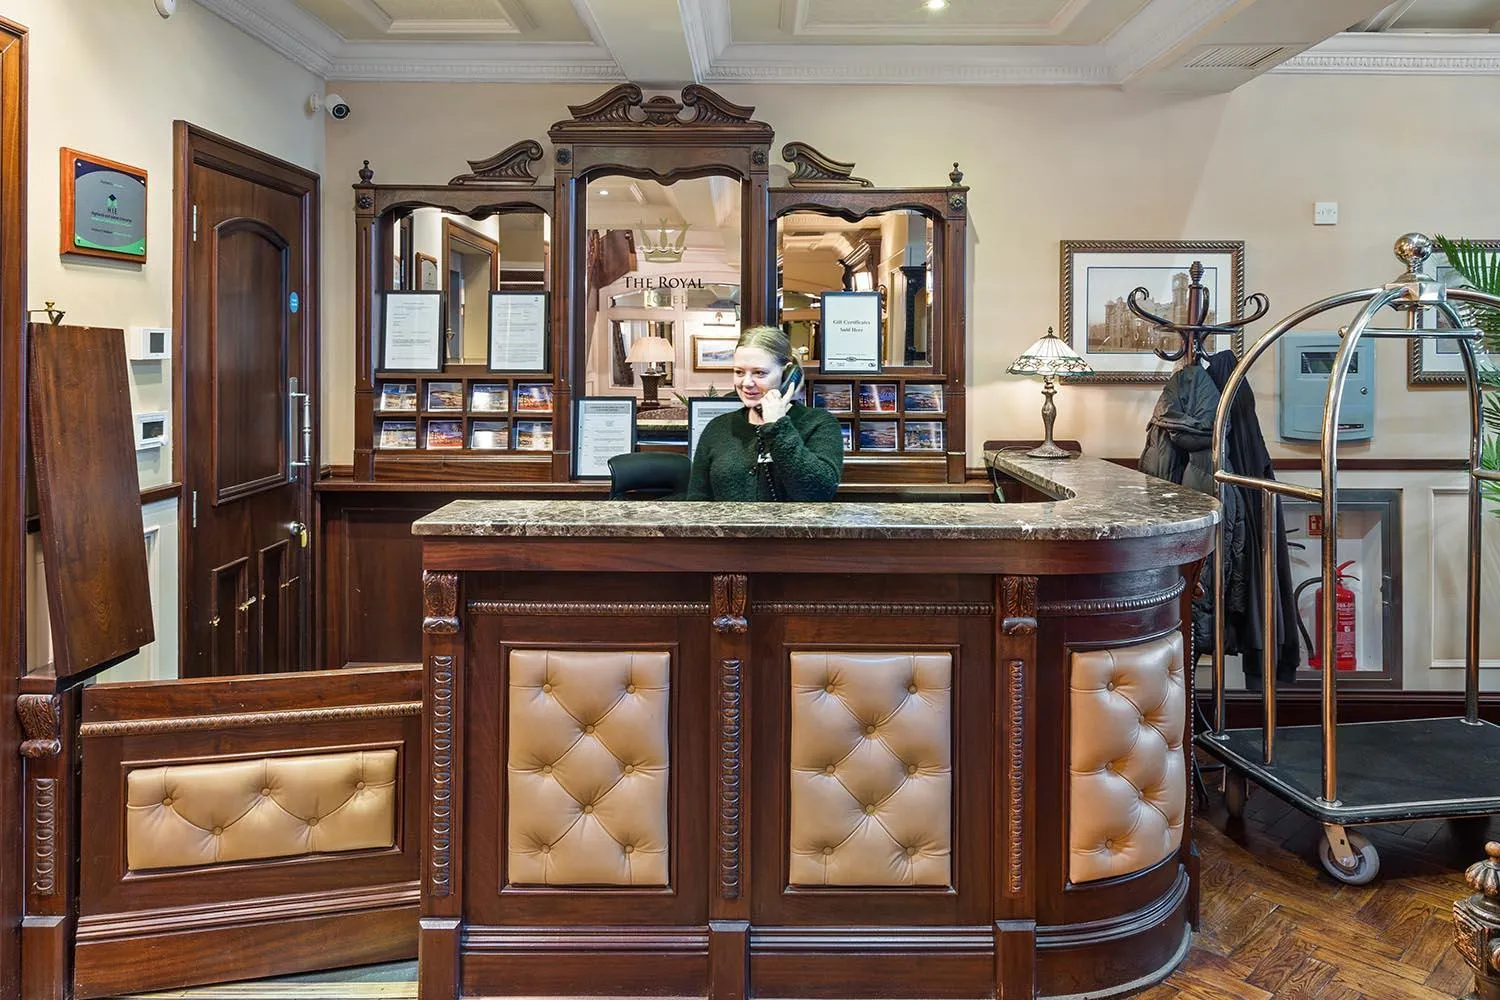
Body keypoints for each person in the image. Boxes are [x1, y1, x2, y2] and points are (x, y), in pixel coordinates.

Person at [686, 325, 843, 501]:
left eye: (759, 373)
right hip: (728, 529)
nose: (746, 383)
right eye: (739, 372)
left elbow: (819, 492)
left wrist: (778, 427)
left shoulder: (819, 424)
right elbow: (696, 501)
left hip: (791, 529)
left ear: (787, 374)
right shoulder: (718, 427)